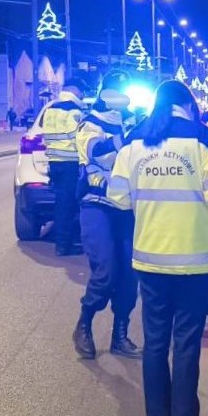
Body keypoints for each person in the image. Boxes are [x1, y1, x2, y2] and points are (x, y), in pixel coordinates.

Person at [108, 79, 208, 416]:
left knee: (154, 345)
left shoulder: (134, 141)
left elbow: (117, 197)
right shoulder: (204, 140)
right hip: (194, 261)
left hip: (150, 260)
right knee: (186, 347)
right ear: (189, 105)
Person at [73, 70, 140, 360]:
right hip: (97, 204)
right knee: (106, 270)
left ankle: (120, 335)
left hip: (127, 208)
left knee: (130, 275)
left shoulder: (133, 120)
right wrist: (126, 137)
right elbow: (96, 152)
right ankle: (84, 323)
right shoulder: (90, 123)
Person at [41, 78, 86, 256]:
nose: (82, 95)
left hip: (54, 162)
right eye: (81, 91)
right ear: (74, 90)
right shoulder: (74, 111)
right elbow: (79, 138)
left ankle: (63, 242)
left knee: (61, 203)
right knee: (68, 205)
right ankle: (64, 245)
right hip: (70, 163)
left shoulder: (50, 110)